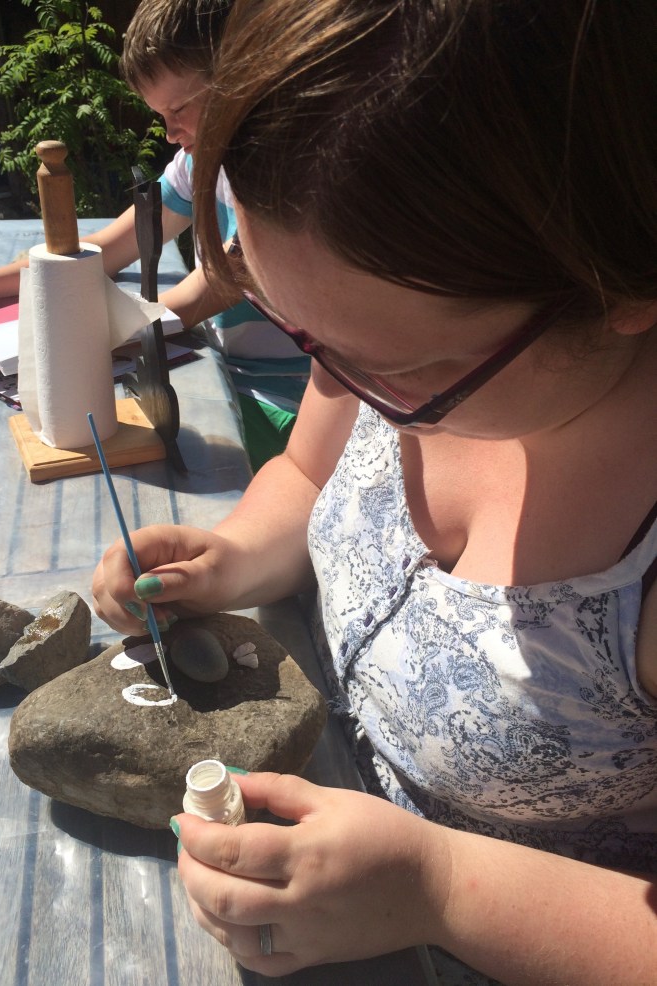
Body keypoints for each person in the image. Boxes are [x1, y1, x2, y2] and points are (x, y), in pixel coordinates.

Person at [92, 1, 657, 984]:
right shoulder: (370, 336)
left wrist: (444, 888)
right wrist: (238, 552)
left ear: (620, 288)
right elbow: (308, 473)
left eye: (397, 371)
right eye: (307, 337)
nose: (345, 386)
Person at [0, 0, 309, 471]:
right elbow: (103, 250)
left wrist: (32, 353)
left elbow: (191, 300)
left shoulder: (287, 184)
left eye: (179, 109)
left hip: (285, 403)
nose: (169, 133)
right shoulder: (200, 161)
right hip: (222, 368)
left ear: (246, 74)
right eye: (159, 114)